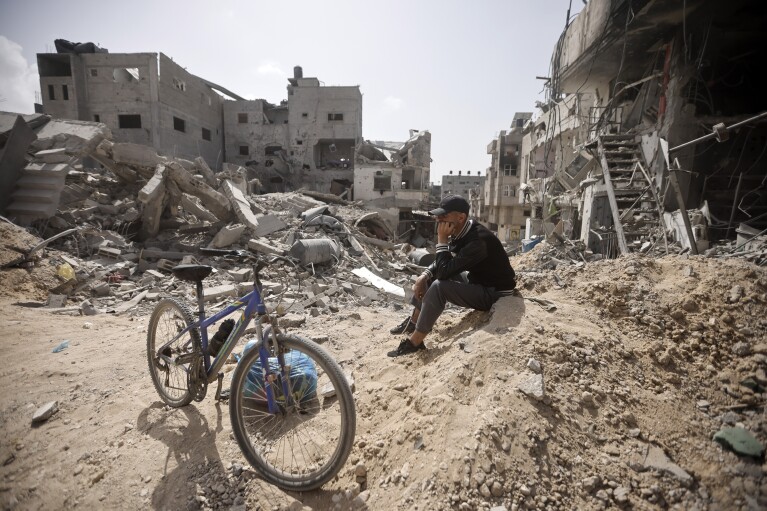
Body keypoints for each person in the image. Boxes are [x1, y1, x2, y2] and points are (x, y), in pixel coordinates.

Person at [388, 195, 517, 357]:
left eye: (444, 216)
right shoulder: (463, 231)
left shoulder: (478, 241)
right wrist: (424, 275)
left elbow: (443, 272)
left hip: (494, 293)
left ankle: (415, 343)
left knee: (439, 287)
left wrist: (441, 240)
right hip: (478, 280)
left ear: (460, 217)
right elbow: (446, 262)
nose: (438, 220)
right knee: (431, 277)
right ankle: (413, 323)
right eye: (438, 216)